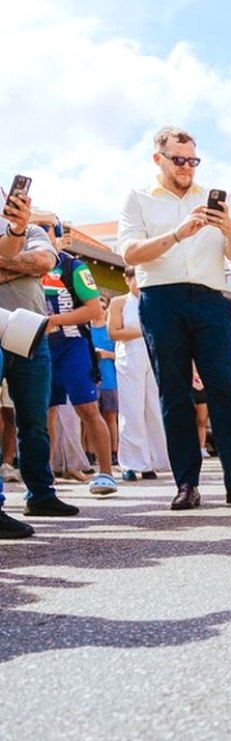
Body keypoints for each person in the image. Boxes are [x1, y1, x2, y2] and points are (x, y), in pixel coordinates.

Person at [117, 126, 231, 510]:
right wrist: (179, 234)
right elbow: (130, 253)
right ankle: (187, 483)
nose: (186, 167)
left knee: (224, 390)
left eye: (192, 160)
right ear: (158, 159)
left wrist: (227, 227)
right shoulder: (138, 198)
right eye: (178, 159)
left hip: (211, 299)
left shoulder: (212, 197)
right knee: (175, 393)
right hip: (161, 298)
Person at [0, 190, 74, 536]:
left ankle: (41, 494)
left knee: (35, 420)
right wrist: (21, 267)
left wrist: (5, 263)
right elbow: (33, 265)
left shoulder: (30, 230)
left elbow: (45, 262)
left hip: (32, 332)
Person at [37, 217, 119, 496]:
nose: (37, 231)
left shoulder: (72, 266)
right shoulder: (23, 263)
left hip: (72, 346)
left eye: (45, 227)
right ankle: (43, 480)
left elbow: (94, 310)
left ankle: (106, 473)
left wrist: (54, 320)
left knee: (87, 409)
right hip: (39, 348)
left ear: (57, 235)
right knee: (43, 415)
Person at [108, 267, 169, 480]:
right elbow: (114, 332)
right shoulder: (119, 303)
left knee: (153, 407)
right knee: (131, 409)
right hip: (129, 356)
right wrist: (144, 331)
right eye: (134, 278)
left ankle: (152, 460)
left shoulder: (153, 301)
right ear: (127, 279)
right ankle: (131, 463)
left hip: (152, 356)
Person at [91, 295, 119, 469]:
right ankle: (90, 453)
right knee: (89, 417)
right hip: (92, 380)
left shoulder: (111, 331)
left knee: (110, 416)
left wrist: (106, 354)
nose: (99, 309)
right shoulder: (87, 330)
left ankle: (114, 452)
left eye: (102, 306)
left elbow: (122, 355)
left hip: (110, 380)